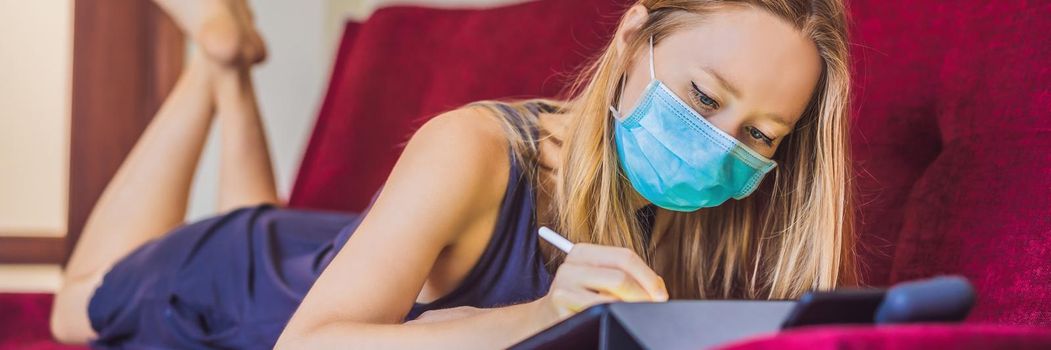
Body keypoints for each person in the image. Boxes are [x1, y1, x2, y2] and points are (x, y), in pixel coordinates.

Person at [49, 0, 857, 348]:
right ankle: (215, 59)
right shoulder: (471, 146)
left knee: (280, 226)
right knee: (71, 308)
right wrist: (546, 314)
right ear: (633, 35)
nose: (717, 146)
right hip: (230, 284)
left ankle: (230, 74)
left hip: (329, 254)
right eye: (701, 96)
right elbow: (310, 345)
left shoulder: (721, 208)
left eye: (758, 133)